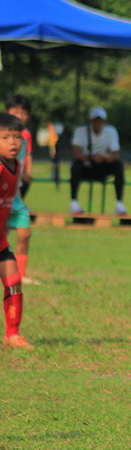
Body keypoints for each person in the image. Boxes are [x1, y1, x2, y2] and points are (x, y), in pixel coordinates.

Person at [0, 112, 30, 349]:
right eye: (5, 138)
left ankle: (12, 336)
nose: (13, 143)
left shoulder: (16, 164)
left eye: (17, 138)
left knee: (14, 279)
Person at [70, 107, 127, 215]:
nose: (97, 123)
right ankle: (74, 202)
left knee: (118, 166)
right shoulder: (81, 131)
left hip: (103, 166)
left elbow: (116, 155)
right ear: (90, 121)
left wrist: (104, 157)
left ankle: (119, 204)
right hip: (87, 167)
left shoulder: (111, 131)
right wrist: (91, 157)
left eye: (100, 120)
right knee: (75, 166)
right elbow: (76, 154)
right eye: (95, 120)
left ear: (104, 121)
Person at [5, 95, 34, 282]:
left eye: (23, 113)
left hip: (16, 195)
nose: (19, 116)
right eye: (15, 112)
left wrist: (26, 175)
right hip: (3, 193)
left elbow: (27, 159)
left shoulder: (26, 136)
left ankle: (20, 275)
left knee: (25, 233)